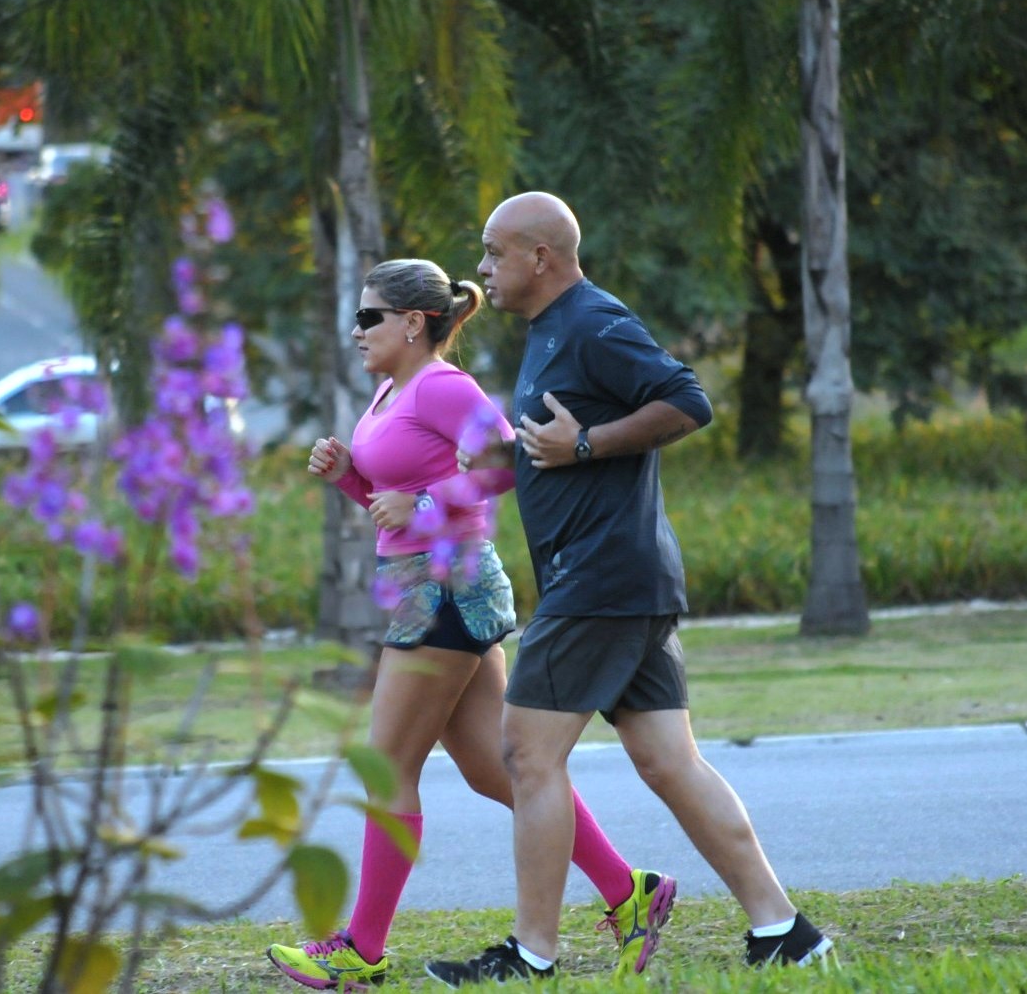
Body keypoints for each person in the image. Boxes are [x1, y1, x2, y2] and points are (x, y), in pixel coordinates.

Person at [427, 194, 835, 986]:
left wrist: (584, 443)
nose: (480, 269)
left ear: (540, 256)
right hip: (623, 577)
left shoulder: (591, 322)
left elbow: (688, 400)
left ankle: (531, 954)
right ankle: (784, 929)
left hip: (601, 579)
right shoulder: (552, 332)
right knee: (668, 760)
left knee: (524, 751)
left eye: (492, 252)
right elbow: (536, 452)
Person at [265, 258, 677, 990]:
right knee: (496, 768)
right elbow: (391, 502)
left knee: (388, 766)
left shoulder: (442, 385)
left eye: (368, 317)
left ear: (412, 322)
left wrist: (422, 508)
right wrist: (349, 478)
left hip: (445, 586)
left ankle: (362, 947)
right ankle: (628, 891)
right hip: (421, 585)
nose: (355, 331)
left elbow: (505, 459)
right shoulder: (390, 391)